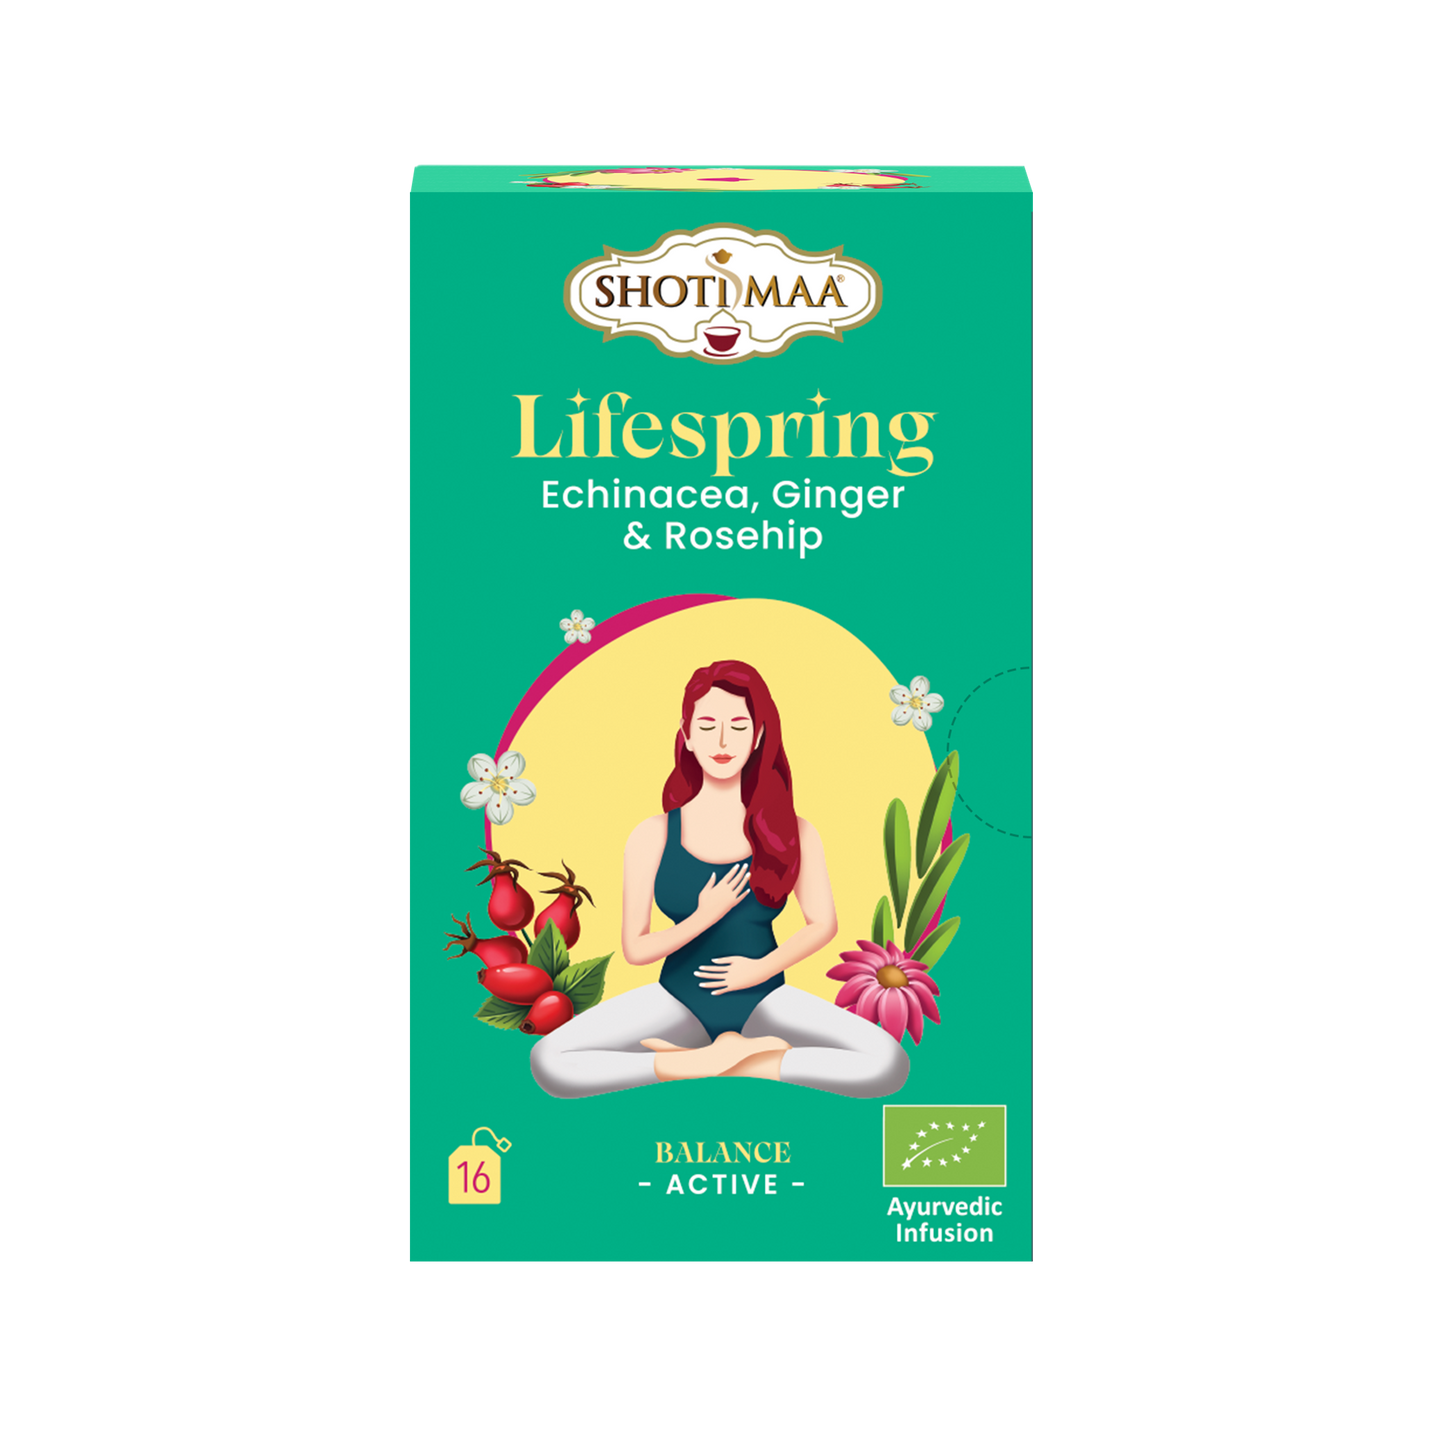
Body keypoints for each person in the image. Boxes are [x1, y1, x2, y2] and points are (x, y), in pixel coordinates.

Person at [530, 660, 909, 1098]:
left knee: (887, 1063)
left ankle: (746, 1060)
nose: (723, 742)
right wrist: (703, 916)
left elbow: (822, 924)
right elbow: (636, 948)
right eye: (708, 726)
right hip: (676, 1000)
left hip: (765, 998)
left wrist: (759, 970)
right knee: (549, 1061)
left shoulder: (796, 832)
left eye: (738, 726)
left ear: (759, 735)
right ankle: (701, 1061)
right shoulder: (652, 835)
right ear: (687, 735)